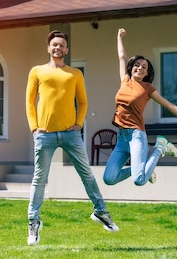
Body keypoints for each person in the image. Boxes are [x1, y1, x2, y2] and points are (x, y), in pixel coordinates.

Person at [25, 30, 118, 246]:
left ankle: (101, 212)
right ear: (48, 48)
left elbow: (83, 102)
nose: (58, 48)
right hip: (45, 135)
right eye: (54, 44)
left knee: (86, 173)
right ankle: (34, 222)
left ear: (66, 50)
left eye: (62, 45)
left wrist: (79, 124)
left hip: (71, 134)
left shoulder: (75, 74)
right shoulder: (36, 72)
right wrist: (34, 128)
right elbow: (30, 102)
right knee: (39, 179)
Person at [103, 28, 177, 187]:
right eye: (137, 65)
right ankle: (144, 169)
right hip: (122, 137)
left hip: (136, 135)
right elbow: (122, 56)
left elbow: (168, 104)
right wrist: (119, 37)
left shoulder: (147, 88)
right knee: (109, 179)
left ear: (146, 73)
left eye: (144, 67)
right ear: (132, 68)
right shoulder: (125, 80)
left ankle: (160, 148)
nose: (139, 68)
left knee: (139, 180)